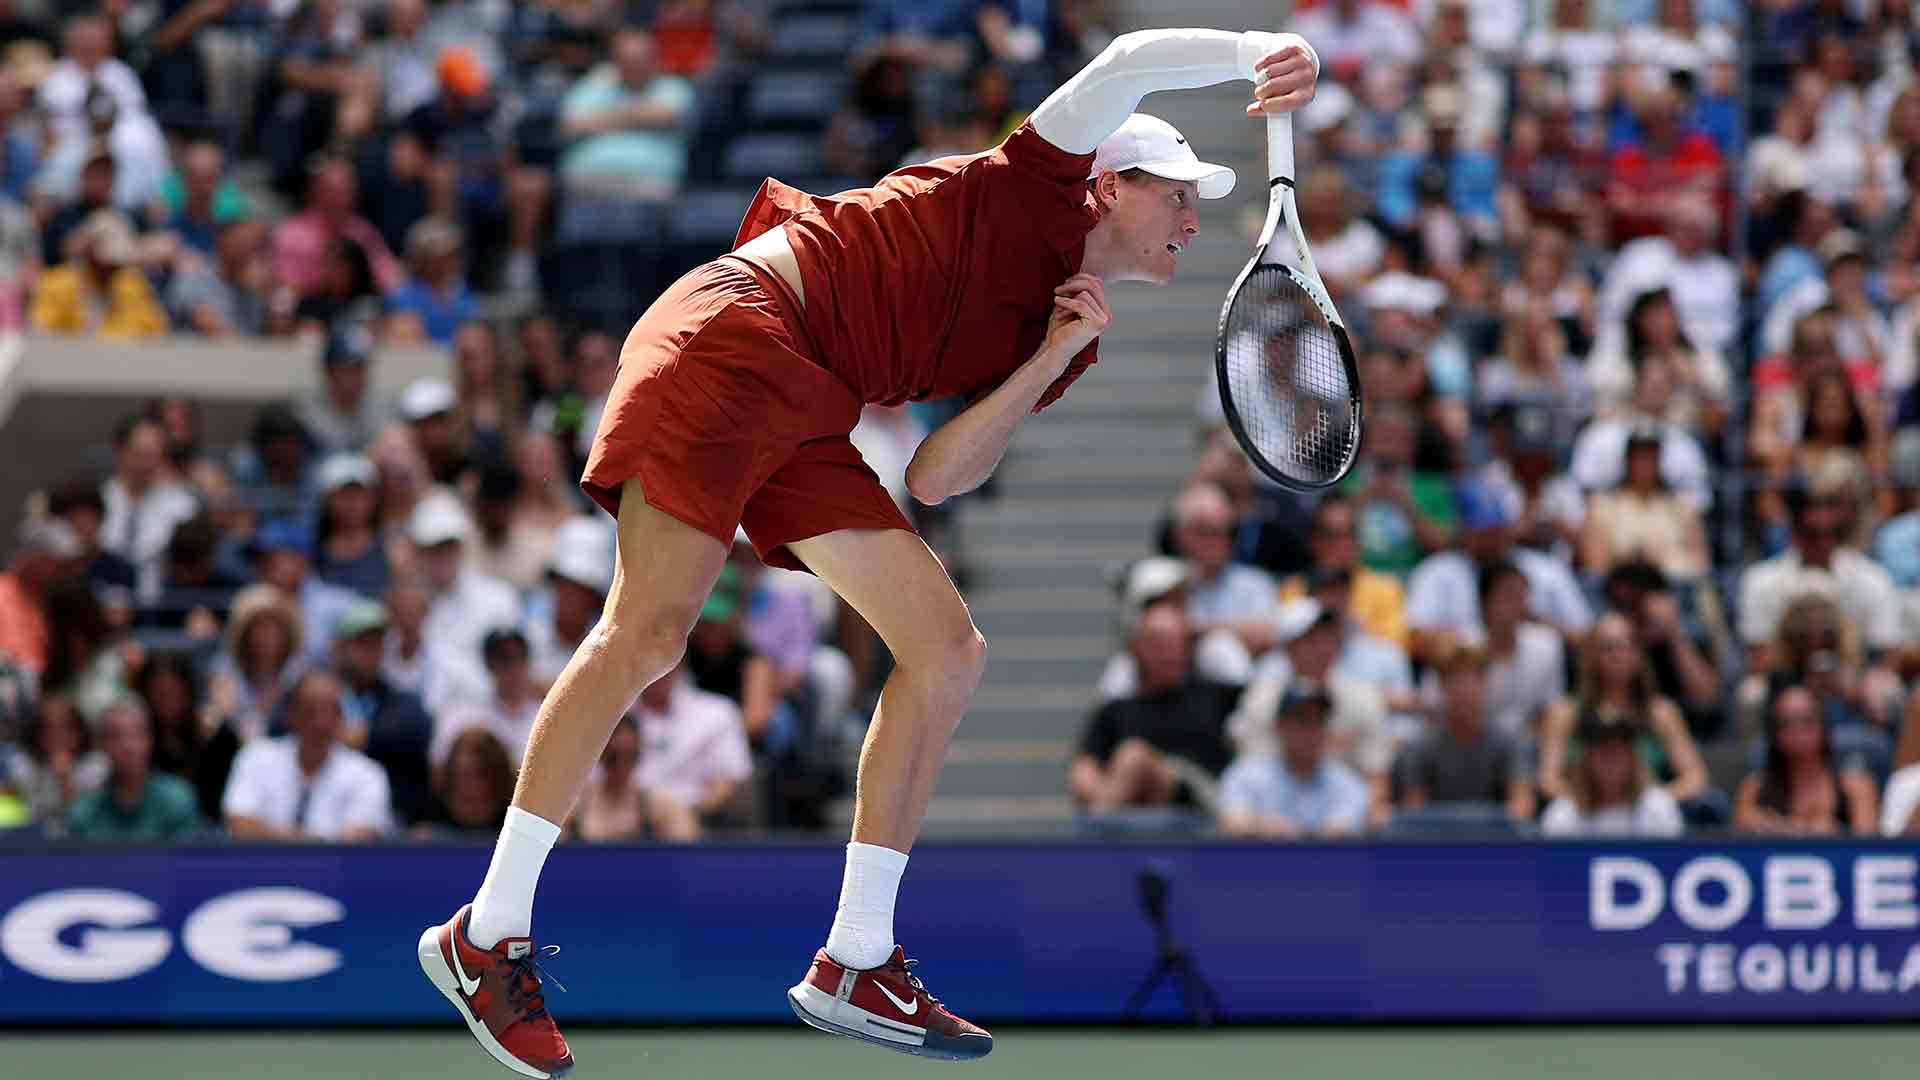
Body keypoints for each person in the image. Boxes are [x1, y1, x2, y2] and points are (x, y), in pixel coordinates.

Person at [418, 27, 1320, 1071]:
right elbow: (1127, 60)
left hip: (812, 400)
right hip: (738, 332)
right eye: (1176, 194)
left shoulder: (1070, 331)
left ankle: (855, 956)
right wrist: (1257, 46)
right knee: (651, 630)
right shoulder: (1030, 180)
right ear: (1107, 187)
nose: (1193, 219)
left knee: (947, 650)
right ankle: (487, 932)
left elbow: (935, 476)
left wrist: (1052, 357)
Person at [1229, 599, 1392, 823]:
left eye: (1330, 637)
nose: (1323, 648)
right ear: (1289, 647)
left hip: (1345, 821)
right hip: (1271, 825)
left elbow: (1376, 781)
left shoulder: (1364, 700)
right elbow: (1249, 780)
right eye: (1311, 639)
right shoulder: (1261, 702)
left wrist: (1351, 820)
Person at [1070, 605, 1240, 814]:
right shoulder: (1115, 709)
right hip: (1133, 800)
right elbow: (1084, 768)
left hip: (1200, 796)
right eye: (1160, 643)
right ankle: (1107, 817)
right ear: (1138, 648)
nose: (1171, 652)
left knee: (1134, 757)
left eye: (1179, 642)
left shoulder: (1214, 695)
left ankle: (1100, 826)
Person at [1537, 612, 1708, 806]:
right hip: (1583, 815)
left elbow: (1695, 778)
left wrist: (1650, 803)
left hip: (1646, 816)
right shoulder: (1564, 713)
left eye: (1628, 645)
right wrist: (1591, 805)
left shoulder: (1661, 713)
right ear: (1590, 655)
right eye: (1609, 647)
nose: (1619, 654)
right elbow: (1548, 781)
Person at [222, 669, 393, 841]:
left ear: (341, 717)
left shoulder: (367, 774)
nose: (320, 723)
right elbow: (239, 824)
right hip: (263, 860)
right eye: (310, 711)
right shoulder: (256, 756)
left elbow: (360, 837)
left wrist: (289, 841)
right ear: (291, 714)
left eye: (330, 712)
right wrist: (308, 843)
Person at [1396, 644, 1535, 823]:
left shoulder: (1512, 744)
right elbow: (1414, 815)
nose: (1462, 690)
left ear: (1484, 682)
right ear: (1442, 686)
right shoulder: (1417, 749)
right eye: (1454, 680)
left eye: (1469, 680)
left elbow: (1522, 808)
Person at [1218, 681, 1371, 838]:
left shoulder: (1348, 782)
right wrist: (1262, 826)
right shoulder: (1245, 775)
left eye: (1319, 721)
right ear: (1279, 726)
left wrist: (1296, 836)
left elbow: (1343, 831)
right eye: (1302, 720)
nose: (1311, 731)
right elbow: (1233, 824)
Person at [332, 599, 434, 825]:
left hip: (387, 822)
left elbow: (415, 731)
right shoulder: (317, 694)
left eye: (377, 644)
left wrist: (368, 736)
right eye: (361, 644)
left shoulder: (402, 700)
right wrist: (332, 734)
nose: (371, 653)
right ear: (340, 647)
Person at [1734, 684, 1878, 836]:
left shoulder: (1856, 788)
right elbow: (1740, 827)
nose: (1797, 730)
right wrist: (1806, 830)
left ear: (1823, 726)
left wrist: (1780, 827)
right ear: (1774, 732)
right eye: (1786, 723)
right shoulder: (1754, 789)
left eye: (1806, 721)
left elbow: (1868, 840)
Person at [630, 662, 754, 833]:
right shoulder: (608, 712)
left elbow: (728, 781)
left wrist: (682, 813)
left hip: (693, 819)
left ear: (679, 662)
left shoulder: (718, 713)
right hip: (621, 816)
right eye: (648, 661)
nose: (657, 669)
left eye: (663, 660)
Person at [1579, 425, 1709, 580]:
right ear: (1627, 460)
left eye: (1651, 457)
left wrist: (1664, 560)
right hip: (1625, 587)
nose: (1645, 464)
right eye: (1639, 457)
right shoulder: (1603, 507)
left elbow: (1701, 564)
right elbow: (1596, 569)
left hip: (1676, 586)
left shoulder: (1683, 507)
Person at [64, 697, 204, 840]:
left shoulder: (178, 799)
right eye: (115, 736)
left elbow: (189, 853)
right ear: (100, 744)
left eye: (137, 733)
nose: (127, 745)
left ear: (150, 740)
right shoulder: (84, 812)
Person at [1167, 482, 1281, 656]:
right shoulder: (1167, 581)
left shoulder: (1255, 582)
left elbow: (1266, 635)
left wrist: (1198, 630)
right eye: (1208, 530)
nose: (1221, 539)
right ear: (1182, 534)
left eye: (1229, 530)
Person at [1278, 498, 1406, 649]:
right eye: (1331, 535)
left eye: (1348, 534)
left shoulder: (1386, 589)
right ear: (1314, 541)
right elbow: (1285, 646)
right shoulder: (1293, 589)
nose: (1341, 544)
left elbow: (1394, 649)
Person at [1539, 712, 1684, 837]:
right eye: (1602, 749)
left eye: (1617, 749)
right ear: (1587, 758)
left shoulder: (1658, 806)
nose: (1610, 758)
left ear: (1632, 757)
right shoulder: (1564, 811)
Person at [573, 715, 696, 842]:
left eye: (629, 756)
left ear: (638, 755)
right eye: (613, 757)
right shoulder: (575, 808)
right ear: (600, 755)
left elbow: (687, 846)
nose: (621, 765)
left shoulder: (663, 806)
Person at [295, 324, 387, 456]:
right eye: (345, 369)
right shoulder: (307, 411)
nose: (353, 378)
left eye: (358, 369)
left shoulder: (379, 407)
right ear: (329, 371)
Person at [414, 728, 516, 841]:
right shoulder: (431, 812)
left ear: (496, 777)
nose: (469, 785)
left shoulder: (514, 816)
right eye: (462, 774)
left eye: (478, 775)